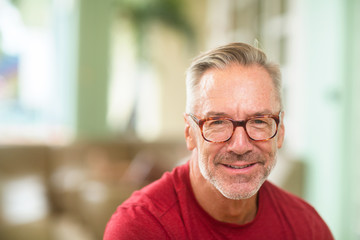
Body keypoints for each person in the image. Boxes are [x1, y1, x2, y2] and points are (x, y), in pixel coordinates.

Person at [103, 42, 334, 239]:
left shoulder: (307, 227)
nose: (240, 145)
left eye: (259, 121)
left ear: (280, 131)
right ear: (189, 133)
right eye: (218, 122)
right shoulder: (141, 228)